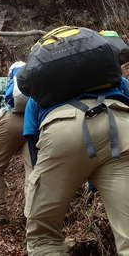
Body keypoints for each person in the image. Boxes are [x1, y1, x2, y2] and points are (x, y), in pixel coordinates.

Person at [23, 77, 129, 255]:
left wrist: (43, 176)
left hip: (63, 131)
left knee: (43, 237)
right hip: (118, 125)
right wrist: (96, 183)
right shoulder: (110, 73)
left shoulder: (41, 83)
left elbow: (31, 133)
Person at [0, 61, 32, 225]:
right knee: (32, 170)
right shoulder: (34, 81)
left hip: (10, 121)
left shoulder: (2, 81)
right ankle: (32, 214)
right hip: (33, 122)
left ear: (10, 73)